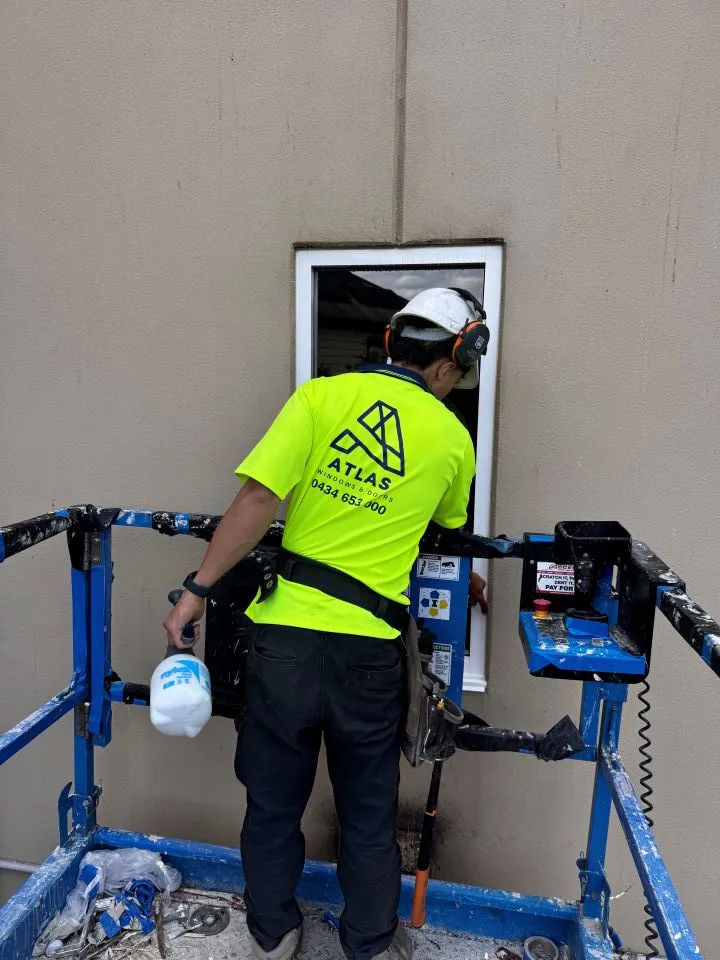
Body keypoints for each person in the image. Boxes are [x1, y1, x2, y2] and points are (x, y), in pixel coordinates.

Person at [164, 287, 490, 960]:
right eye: (459, 371)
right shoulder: (453, 439)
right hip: (367, 657)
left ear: (394, 338)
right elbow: (447, 530)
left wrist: (197, 591)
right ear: (448, 361)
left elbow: (257, 498)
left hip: (282, 645)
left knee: (273, 806)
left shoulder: (318, 398)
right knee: (369, 817)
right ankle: (368, 942)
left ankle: (272, 936)